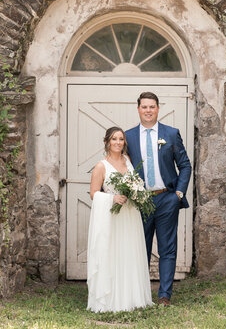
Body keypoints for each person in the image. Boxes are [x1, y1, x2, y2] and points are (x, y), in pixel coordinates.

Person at [125, 92, 191, 306]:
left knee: (167, 249)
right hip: (140, 201)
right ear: (138, 109)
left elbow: (185, 165)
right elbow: (123, 167)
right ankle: (141, 295)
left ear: (158, 109)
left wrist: (178, 194)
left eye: (152, 107)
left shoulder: (171, 134)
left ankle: (164, 296)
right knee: (139, 248)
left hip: (166, 199)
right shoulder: (129, 136)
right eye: (144, 107)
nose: (148, 110)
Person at [87, 126, 153, 313]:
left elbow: (135, 183)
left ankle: (131, 298)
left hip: (130, 215)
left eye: (121, 139)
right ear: (107, 141)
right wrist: (112, 198)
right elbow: (93, 194)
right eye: (114, 139)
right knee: (113, 254)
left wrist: (136, 193)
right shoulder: (101, 166)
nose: (118, 142)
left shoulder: (128, 161)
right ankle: (112, 300)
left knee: (129, 253)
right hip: (112, 218)